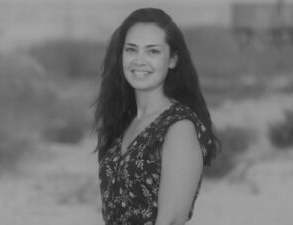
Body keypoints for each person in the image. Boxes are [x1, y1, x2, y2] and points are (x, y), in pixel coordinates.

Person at [93, 7, 220, 225]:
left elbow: (171, 220)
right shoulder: (124, 121)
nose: (139, 60)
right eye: (131, 50)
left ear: (172, 59)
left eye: (153, 51)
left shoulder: (178, 126)